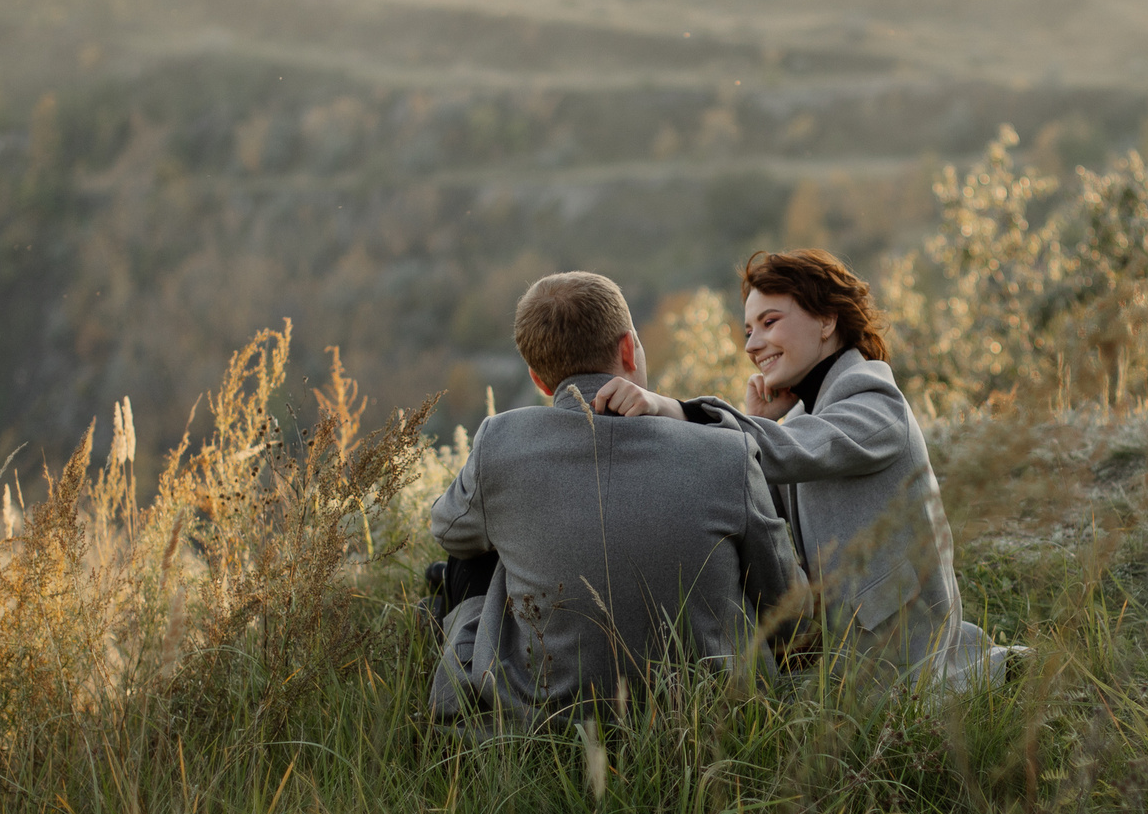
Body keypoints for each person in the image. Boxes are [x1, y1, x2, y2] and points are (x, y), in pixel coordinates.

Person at [591, 248, 1012, 693]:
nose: (752, 344)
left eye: (770, 323)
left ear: (827, 320)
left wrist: (674, 409)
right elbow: (755, 507)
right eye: (749, 330)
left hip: (904, 659)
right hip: (847, 651)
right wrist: (765, 422)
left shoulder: (875, 400)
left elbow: (800, 449)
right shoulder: (809, 420)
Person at [427, 270, 800, 728]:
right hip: (712, 725)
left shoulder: (500, 441)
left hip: (548, 727)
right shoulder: (727, 450)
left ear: (539, 380)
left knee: (471, 558)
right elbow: (790, 609)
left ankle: (452, 708)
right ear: (628, 349)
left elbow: (446, 529)